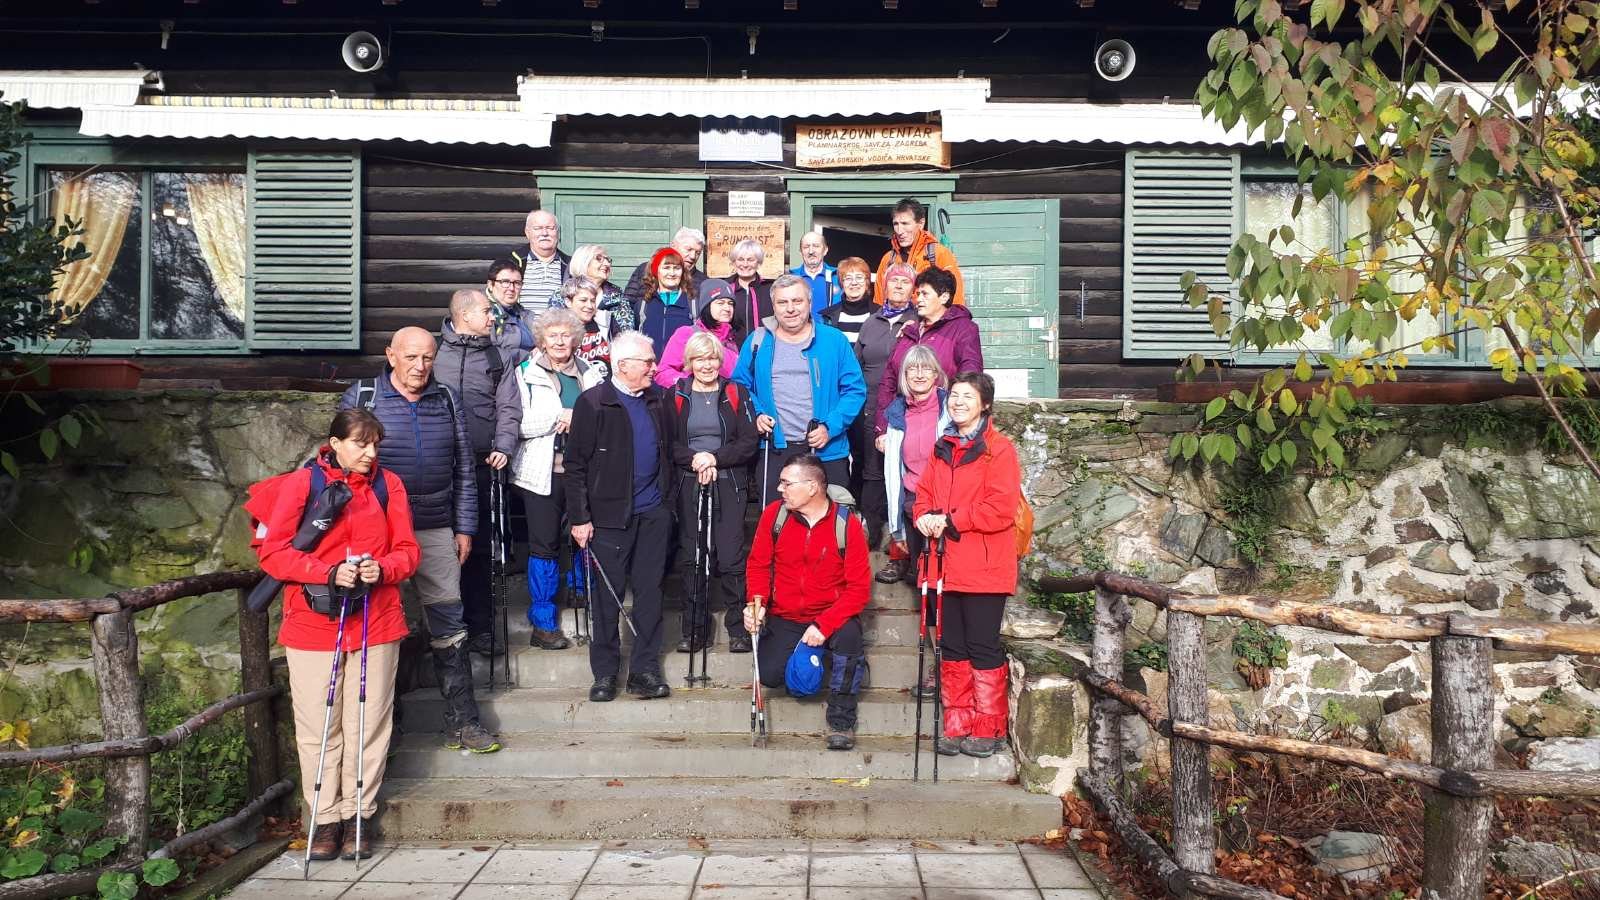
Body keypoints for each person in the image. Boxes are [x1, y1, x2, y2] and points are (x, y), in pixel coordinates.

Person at [256, 409, 418, 861]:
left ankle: (358, 816)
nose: (370, 453)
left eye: (375, 444)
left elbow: (408, 551)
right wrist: (326, 572)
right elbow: (274, 554)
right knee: (317, 727)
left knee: (369, 724)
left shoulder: (389, 486)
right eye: (361, 444)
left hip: (376, 619)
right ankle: (325, 819)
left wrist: (382, 568)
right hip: (312, 624)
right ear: (335, 444)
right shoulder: (302, 484)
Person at [339, 328, 499, 755]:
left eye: (427, 357)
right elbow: (342, 466)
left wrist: (464, 527)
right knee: (377, 626)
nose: (420, 366)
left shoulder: (446, 398)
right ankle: (381, 731)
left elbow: (464, 468)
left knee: (450, 622)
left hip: (434, 526)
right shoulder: (365, 396)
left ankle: (463, 722)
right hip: (378, 531)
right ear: (391, 355)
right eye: (411, 357)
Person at [913, 371, 1021, 759]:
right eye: (954, 395)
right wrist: (923, 516)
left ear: (985, 404)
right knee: (951, 646)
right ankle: (957, 724)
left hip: (984, 567)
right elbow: (923, 493)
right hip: (941, 565)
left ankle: (989, 726)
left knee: (982, 646)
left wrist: (950, 520)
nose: (958, 402)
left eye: (968, 396)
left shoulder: (999, 449)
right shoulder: (941, 447)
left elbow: (1001, 508)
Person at [565, 330, 677, 702]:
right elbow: (575, 466)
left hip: (652, 514)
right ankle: (605, 673)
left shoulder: (658, 400)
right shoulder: (593, 403)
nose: (654, 367)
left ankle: (644, 670)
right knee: (605, 599)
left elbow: (669, 451)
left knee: (650, 594)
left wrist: (668, 503)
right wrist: (580, 518)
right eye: (648, 362)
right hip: (608, 518)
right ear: (623, 365)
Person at [744, 455, 871, 750]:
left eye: (787, 483)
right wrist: (756, 605)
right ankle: (821, 662)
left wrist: (824, 626)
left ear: (812, 487)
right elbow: (758, 565)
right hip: (786, 615)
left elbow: (859, 589)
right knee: (771, 675)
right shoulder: (774, 516)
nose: (780, 489)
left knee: (850, 636)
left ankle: (841, 720)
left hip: (831, 614)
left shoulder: (846, 524)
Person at [434, 289, 524, 656]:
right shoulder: (434, 352)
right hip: (440, 466)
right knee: (441, 547)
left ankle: (482, 628)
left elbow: (509, 407)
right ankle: (445, 628)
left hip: (483, 464)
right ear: (465, 314)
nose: (492, 317)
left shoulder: (497, 355)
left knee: (480, 547)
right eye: (487, 311)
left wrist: (504, 445)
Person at [509, 308, 605, 650]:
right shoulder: (525, 373)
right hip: (541, 473)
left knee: (585, 535)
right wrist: (558, 416)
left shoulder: (590, 373)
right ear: (542, 340)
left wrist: (579, 417)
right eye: (553, 336)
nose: (560, 342)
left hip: (584, 472)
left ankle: (581, 592)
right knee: (544, 544)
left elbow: (604, 419)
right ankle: (544, 623)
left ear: (575, 339)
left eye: (566, 335)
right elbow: (518, 424)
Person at [731, 274, 866, 503]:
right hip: (774, 450)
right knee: (778, 520)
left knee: (830, 520)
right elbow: (739, 387)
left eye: (797, 301)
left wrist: (830, 427)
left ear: (809, 303)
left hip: (826, 449)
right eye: (783, 302)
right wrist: (757, 414)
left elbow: (855, 390)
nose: (790, 309)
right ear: (773, 306)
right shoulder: (757, 341)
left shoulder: (834, 340)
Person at [668, 331, 760, 653]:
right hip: (689, 481)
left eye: (711, 358)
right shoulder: (677, 394)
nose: (706, 365)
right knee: (693, 555)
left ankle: (738, 628)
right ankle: (694, 630)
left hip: (728, 481)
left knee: (732, 555)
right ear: (689, 362)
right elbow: (669, 442)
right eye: (699, 359)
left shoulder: (735, 392)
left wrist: (714, 458)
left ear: (720, 361)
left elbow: (748, 442)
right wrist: (695, 459)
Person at [848, 260, 917, 549]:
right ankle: (872, 538)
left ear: (913, 289)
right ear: (884, 286)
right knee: (872, 472)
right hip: (871, 409)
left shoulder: (918, 322)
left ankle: (901, 538)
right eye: (893, 281)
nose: (898, 286)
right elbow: (855, 366)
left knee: (903, 471)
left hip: (907, 410)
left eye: (905, 282)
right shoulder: (871, 323)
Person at [874, 267, 983, 438]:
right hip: (902, 419)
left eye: (925, 294)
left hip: (941, 422)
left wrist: (960, 423)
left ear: (944, 297)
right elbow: (889, 380)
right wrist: (882, 426)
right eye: (918, 294)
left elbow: (970, 375)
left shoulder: (963, 329)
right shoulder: (909, 331)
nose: (918, 299)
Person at [875, 346, 949, 585]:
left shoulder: (950, 408)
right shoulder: (897, 414)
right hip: (914, 504)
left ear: (936, 374)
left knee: (948, 578)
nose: (919, 374)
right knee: (923, 578)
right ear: (904, 375)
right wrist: (897, 528)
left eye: (926, 368)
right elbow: (893, 474)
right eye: (912, 369)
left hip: (947, 503)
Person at [819, 256, 879, 515]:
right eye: (848, 278)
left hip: (868, 396)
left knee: (865, 455)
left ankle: (862, 511)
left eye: (859, 278)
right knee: (839, 452)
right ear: (840, 283)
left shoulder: (879, 315)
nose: (854, 283)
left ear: (868, 282)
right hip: (837, 395)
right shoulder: (827, 317)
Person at [875, 197, 964, 307]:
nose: (899, 231)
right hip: (896, 318)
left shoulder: (939, 254)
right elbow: (879, 302)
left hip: (931, 317)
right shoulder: (888, 259)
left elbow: (956, 300)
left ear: (921, 223)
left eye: (905, 223)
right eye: (896, 224)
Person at [656, 278, 739, 387]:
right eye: (720, 303)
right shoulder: (687, 334)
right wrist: (689, 386)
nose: (727, 308)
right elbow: (663, 373)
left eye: (730, 303)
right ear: (707, 305)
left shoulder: (732, 339)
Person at [554, 244, 635, 333]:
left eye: (608, 260)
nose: (607, 264)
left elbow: (626, 333)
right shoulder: (563, 293)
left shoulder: (617, 296)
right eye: (599, 259)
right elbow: (552, 328)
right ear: (583, 262)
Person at [624, 226, 706, 310]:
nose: (693, 256)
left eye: (698, 253)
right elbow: (627, 304)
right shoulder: (644, 270)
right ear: (673, 246)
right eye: (689, 249)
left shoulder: (703, 282)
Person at [562, 275, 622, 381]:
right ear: (568, 302)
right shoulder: (559, 328)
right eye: (583, 300)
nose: (590, 306)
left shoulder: (607, 321)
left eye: (593, 301)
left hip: (607, 385)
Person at [635, 247, 695, 352]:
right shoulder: (643, 306)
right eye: (666, 268)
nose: (672, 273)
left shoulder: (693, 305)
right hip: (651, 362)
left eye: (677, 268)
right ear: (656, 271)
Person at [511, 209, 571, 307]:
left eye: (550, 228)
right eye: (538, 228)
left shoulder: (570, 265)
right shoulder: (513, 262)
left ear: (558, 232)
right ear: (527, 233)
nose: (544, 233)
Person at [485, 257, 536, 352]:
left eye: (517, 283)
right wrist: (528, 356)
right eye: (505, 282)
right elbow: (490, 352)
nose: (511, 288)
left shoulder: (525, 315)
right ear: (490, 285)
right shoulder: (486, 315)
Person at [727, 237, 773, 335]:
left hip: (763, 343)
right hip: (732, 344)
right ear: (734, 262)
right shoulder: (726, 288)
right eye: (740, 259)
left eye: (750, 260)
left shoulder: (770, 289)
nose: (745, 264)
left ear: (758, 263)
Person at [791, 230, 842, 313]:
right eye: (806, 247)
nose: (811, 251)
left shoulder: (839, 276)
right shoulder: (791, 277)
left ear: (825, 250)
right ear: (801, 252)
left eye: (816, 246)